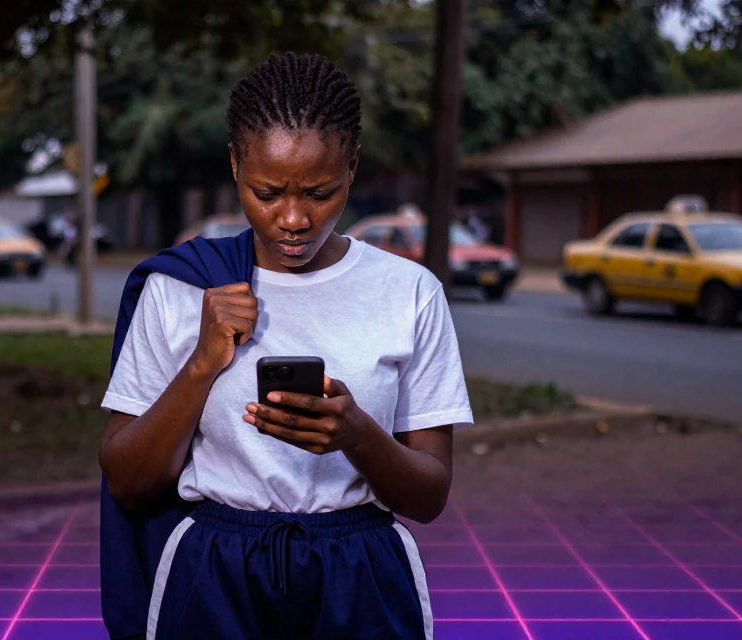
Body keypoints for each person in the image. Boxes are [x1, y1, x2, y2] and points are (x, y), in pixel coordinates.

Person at [99, 52, 473, 640]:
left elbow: (428, 497)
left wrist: (359, 437)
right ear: (234, 165)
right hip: (213, 573)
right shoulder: (183, 286)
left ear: (352, 165)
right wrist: (201, 364)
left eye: (320, 192)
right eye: (267, 192)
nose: (293, 219)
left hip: (360, 571)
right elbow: (126, 479)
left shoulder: (409, 292)